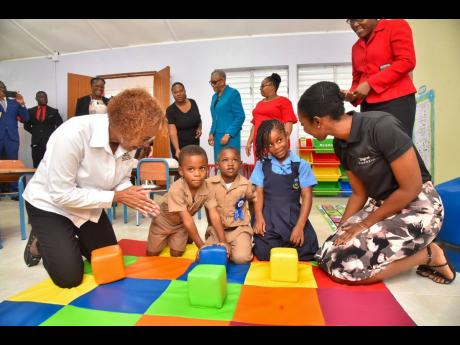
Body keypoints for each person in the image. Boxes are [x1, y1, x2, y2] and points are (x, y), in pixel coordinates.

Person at [298, 81, 455, 285]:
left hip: (418, 206)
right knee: (326, 254)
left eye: (304, 124)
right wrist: (341, 230)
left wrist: (364, 223)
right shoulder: (340, 144)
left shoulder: (382, 126)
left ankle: (430, 254)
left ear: (317, 121)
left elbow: (412, 187)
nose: (304, 129)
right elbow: (358, 193)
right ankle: (413, 252)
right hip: (383, 205)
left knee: (344, 267)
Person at [22, 88, 164, 288]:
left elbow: (121, 178)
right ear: (126, 127)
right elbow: (61, 194)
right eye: (145, 137)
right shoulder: (72, 134)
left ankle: (62, 239)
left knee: (109, 259)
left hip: (88, 205)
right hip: (50, 205)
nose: (147, 143)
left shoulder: (129, 145)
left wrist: (132, 194)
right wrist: (117, 196)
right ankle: (41, 241)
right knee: (69, 278)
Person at [250, 119, 319, 261]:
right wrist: (258, 217)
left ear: (287, 136)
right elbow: (258, 193)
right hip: (269, 216)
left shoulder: (301, 165)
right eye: (270, 144)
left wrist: (300, 226)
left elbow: (307, 197)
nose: (276, 147)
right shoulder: (261, 164)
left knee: (308, 249)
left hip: (293, 216)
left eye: (279, 140)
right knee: (263, 253)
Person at [146, 145, 230, 258]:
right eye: (191, 169)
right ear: (181, 171)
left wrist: (223, 241)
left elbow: (214, 214)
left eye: (202, 168)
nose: (197, 174)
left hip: (180, 226)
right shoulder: (176, 189)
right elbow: (188, 220)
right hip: (162, 223)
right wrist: (201, 246)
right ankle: (165, 239)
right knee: (152, 253)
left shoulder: (208, 187)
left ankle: (176, 239)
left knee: (177, 253)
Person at [342, 19, 417, 137]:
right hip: (368, 107)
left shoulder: (396, 26)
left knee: (397, 148)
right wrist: (352, 94)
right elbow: (357, 79)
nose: (355, 24)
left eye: (360, 19)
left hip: (396, 101)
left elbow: (406, 61)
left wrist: (369, 84)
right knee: (373, 150)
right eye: (351, 20)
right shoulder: (355, 48)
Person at [205, 146, 255, 264]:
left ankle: (239, 246)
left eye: (235, 160)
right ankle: (227, 250)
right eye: (225, 160)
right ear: (217, 165)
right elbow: (209, 211)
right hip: (216, 231)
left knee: (241, 259)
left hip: (239, 229)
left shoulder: (246, 184)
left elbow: (253, 202)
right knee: (209, 257)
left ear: (241, 164)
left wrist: (254, 222)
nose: (230, 164)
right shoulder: (209, 184)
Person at [245, 73, 297, 160]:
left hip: (275, 144)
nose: (260, 89)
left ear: (272, 87)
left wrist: (283, 142)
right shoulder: (259, 104)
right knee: (261, 169)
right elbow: (255, 124)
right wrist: (249, 141)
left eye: (262, 86)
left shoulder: (284, 101)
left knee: (277, 169)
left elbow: (288, 122)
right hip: (259, 144)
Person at [208, 69, 245, 161]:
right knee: (219, 162)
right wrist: (211, 133)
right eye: (211, 82)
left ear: (223, 81)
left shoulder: (233, 93)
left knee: (231, 163)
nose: (212, 85)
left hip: (230, 137)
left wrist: (228, 134)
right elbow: (215, 117)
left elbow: (240, 116)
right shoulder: (214, 97)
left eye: (214, 82)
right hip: (217, 137)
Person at [0, 81, 29, 196]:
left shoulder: (14, 103)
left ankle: (15, 190)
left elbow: (25, 118)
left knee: (13, 164)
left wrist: (22, 104)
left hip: (11, 138)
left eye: (2, 88)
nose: (1, 90)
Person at [24, 91, 63, 168]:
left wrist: (52, 135)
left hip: (50, 143)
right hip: (36, 144)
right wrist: (35, 133)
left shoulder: (54, 111)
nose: (44, 99)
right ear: (36, 98)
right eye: (41, 97)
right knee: (37, 166)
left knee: (50, 166)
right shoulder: (30, 111)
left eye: (45, 97)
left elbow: (60, 126)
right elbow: (26, 126)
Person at [166, 82, 202, 159]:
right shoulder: (170, 110)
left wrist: (199, 128)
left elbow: (198, 119)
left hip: (194, 144)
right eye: (175, 92)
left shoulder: (193, 102)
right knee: (182, 169)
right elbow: (172, 132)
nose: (178, 94)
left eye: (181, 91)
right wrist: (177, 149)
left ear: (185, 91)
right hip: (180, 146)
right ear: (173, 94)